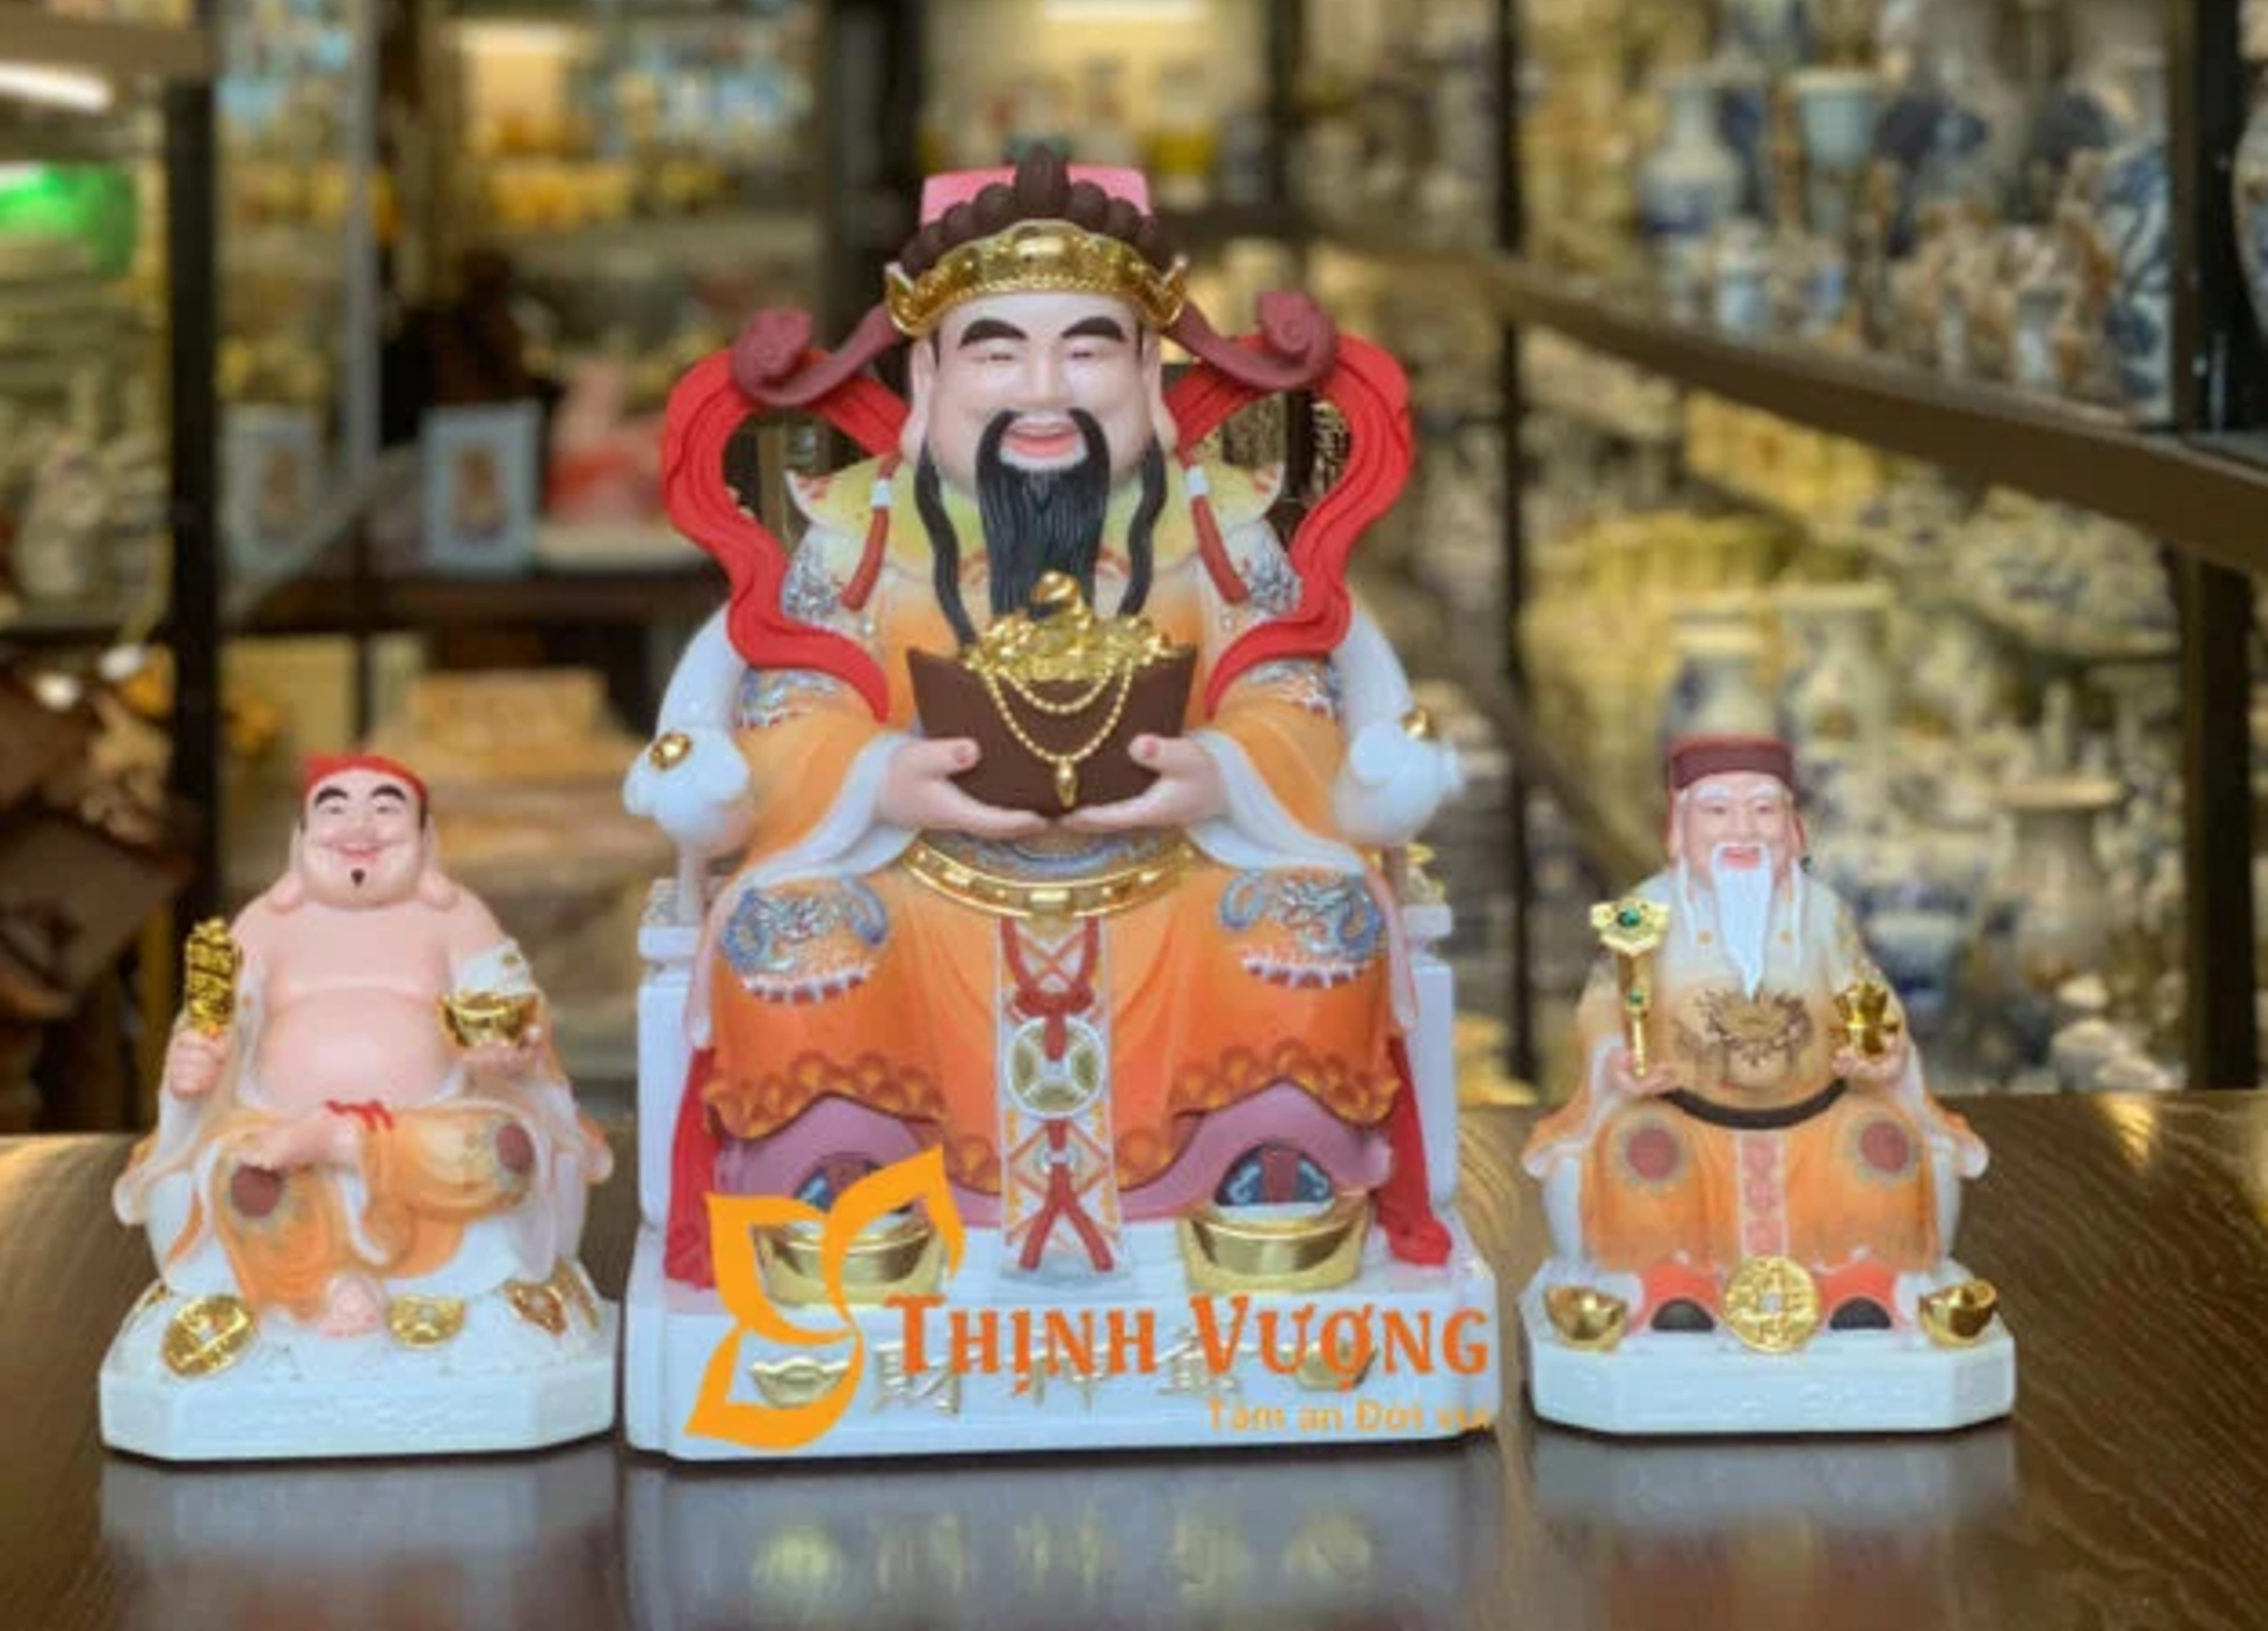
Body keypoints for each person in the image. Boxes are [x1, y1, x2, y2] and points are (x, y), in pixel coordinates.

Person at [629, 148, 1459, 1279]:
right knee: (793, 932)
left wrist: (1222, 770)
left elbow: (1292, 686)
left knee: (1317, 917)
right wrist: (881, 778)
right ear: (926, 377)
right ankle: (851, 1180)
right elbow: (793, 705)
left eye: (1087, 348)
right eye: (996, 350)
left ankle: (1259, 1169)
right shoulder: (859, 535)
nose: (1044, 391)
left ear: (1150, 372)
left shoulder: (1216, 528)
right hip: (917, 875)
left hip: (1176, 868)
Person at [115, 753, 610, 1339]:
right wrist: (194, 1062)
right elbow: (212, 1016)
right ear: (300, 837)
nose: (358, 827)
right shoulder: (263, 924)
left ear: (425, 838)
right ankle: (324, 1286)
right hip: (272, 1123)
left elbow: (511, 1002)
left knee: (504, 1152)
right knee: (240, 1176)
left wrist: (517, 1047)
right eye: (334, 809)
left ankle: (341, 1143)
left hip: (432, 1120)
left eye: (384, 808)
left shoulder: (457, 919)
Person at [1523, 733, 1984, 1333]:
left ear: (1792, 826)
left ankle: (1862, 1285)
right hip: (1687, 1121)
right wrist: (1615, 1054)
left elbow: (1867, 991)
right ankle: (1669, 1289)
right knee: (1641, 1152)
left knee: (1882, 1145)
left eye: (1763, 810)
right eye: (1718, 811)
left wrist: (1884, 1046)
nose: (1742, 831)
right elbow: (1604, 1000)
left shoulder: (1822, 913)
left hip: (1818, 1124)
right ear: (1681, 826)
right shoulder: (1646, 910)